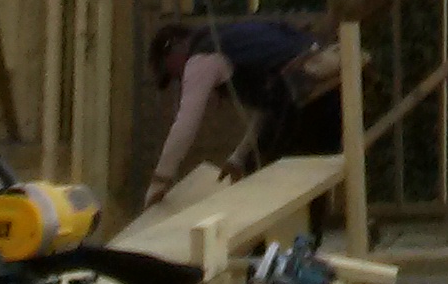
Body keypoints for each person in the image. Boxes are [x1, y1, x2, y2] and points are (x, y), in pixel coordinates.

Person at [143, 13, 342, 204]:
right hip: (328, 86)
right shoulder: (234, 39)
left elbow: (186, 123)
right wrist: (238, 158)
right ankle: (309, 229)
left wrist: (161, 178)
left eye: (172, 74)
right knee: (311, 178)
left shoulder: (202, 57)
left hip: (303, 96)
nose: (178, 79)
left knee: (272, 181)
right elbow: (268, 107)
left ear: (173, 50)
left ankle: (295, 228)